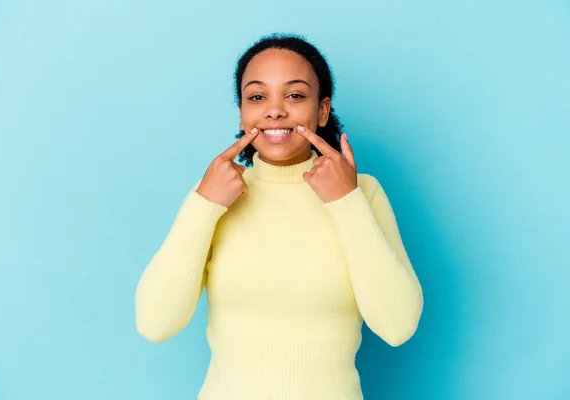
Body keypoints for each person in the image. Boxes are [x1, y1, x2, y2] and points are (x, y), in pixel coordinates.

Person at [135, 33, 424, 400]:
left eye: (295, 95)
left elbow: (397, 327)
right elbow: (154, 324)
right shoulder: (212, 195)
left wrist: (346, 202)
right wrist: (204, 204)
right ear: (242, 112)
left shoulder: (362, 193)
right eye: (257, 96)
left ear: (322, 110)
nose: (275, 110)